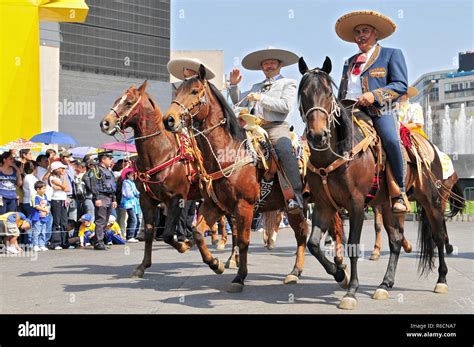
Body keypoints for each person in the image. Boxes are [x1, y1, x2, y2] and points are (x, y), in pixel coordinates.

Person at [335, 10, 409, 213]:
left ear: (375, 33)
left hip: (380, 111)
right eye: (357, 32)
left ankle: (399, 192)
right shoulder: (348, 62)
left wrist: (374, 95)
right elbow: (343, 91)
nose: (360, 35)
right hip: (349, 112)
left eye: (365, 30)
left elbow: (401, 85)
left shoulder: (391, 54)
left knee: (391, 140)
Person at [228, 47, 303, 213]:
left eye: (272, 62)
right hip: (253, 127)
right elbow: (238, 101)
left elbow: (285, 107)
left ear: (280, 65)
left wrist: (261, 98)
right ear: (261, 67)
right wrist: (233, 85)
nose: (268, 66)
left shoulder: (288, 83)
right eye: (265, 63)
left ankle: (296, 196)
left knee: (284, 149)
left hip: (275, 126)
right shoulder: (256, 86)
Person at [89, 152, 117, 250]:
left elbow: (112, 185)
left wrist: (114, 199)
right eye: (109, 158)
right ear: (103, 159)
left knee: (105, 220)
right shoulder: (96, 170)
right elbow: (92, 184)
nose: (111, 161)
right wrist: (97, 198)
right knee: (100, 220)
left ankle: (100, 240)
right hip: (101, 196)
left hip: (109, 197)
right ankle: (98, 242)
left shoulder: (109, 171)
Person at [49, 161, 70, 250]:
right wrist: (64, 179)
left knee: (64, 221)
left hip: (63, 200)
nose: (63, 170)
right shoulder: (52, 178)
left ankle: (64, 242)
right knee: (57, 222)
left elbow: (67, 189)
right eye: (61, 168)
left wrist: (63, 178)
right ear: (56, 169)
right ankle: (56, 242)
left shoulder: (61, 178)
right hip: (56, 200)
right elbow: (64, 187)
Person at [119, 168, 140, 243]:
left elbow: (137, 192)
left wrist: (137, 194)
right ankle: (130, 236)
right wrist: (136, 194)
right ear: (128, 175)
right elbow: (128, 194)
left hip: (134, 203)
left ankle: (132, 235)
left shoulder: (133, 183)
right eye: (132, 175)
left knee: (134, 219)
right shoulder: (126, 182)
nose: (133, 176)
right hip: (129, 203)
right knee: (133, 219)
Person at [30, 181, 50, 252]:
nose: (45, 190)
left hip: (44, 217)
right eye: (43, 188)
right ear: (38, 189)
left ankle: (42, 245)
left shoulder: (45, 196)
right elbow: (36, 206)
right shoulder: (35, 196)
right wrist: (45, 210)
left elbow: (47, 205)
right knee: (36, 231)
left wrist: (47, 210)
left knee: (43, 232)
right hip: (37, 217)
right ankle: (35, 245)